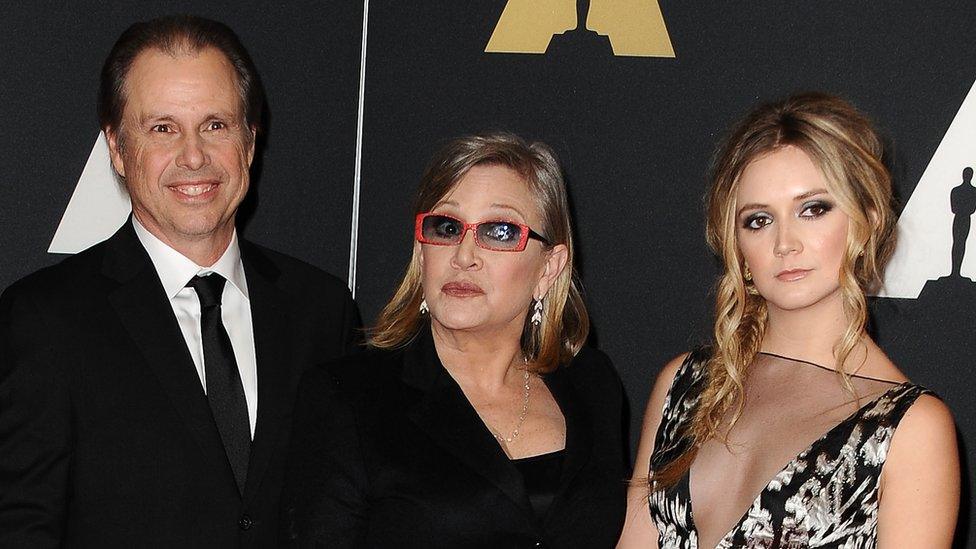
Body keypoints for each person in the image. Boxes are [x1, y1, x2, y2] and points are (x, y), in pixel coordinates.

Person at [0, 15, 359, 548]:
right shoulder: (44, 320)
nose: (194, 157)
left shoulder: (321, 311)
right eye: (162, 128)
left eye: (215, 125)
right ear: (118, 150)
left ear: (250, 142)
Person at [617, 93, 960, 548]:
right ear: (735, 243)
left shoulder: (911, 430)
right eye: (758, 220)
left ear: (868, 219)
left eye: (813, 209)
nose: (785, 243)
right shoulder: (684, 383)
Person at [281, 133, 626, 548]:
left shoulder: (592, 385)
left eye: (499, 231)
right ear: (421, 250)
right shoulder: (348, 398)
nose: (464, 256)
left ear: (548, 268)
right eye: (445, 227)